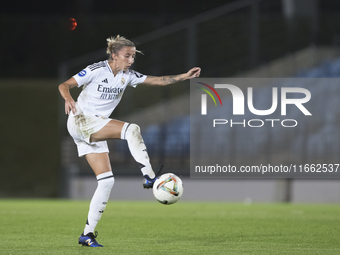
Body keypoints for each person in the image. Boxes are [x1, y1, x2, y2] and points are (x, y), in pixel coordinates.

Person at [58, 35, 201, 247]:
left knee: (106, 181)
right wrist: (68, 98)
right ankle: (150, 177)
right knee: (131, 129)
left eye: (133, 56)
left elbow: (157, 80)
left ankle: (87, 235)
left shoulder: (128, 75)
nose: (131, 60)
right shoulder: (96, 69)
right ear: (114, 55)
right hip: (81, 120)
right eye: (127, 56)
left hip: (94, 126)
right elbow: (64, 85)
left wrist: (183, 77)